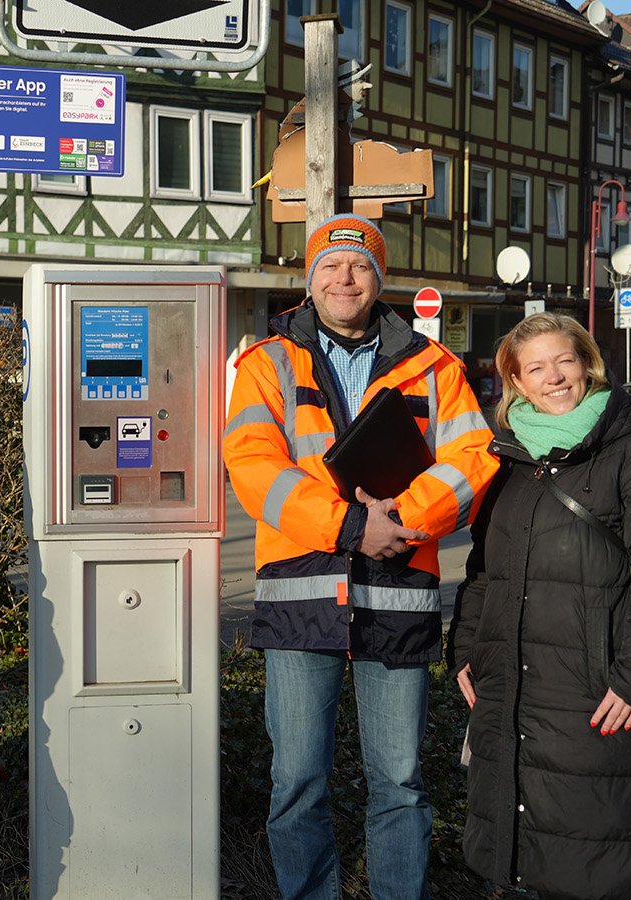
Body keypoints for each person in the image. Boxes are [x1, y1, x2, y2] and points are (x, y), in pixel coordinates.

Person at [224, 215, 499, 900]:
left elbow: (473, 460)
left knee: (400, 784)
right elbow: (252, 468)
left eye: (358, 265)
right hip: (301, 596)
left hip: (398, 592)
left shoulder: (436, 367)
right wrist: (350, 527)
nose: (343, 276)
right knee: (296, 784)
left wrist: (400, 520)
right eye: (330, 265)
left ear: (378, 280)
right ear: (309, 280)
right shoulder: (265, 363)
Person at [447, 312, 631, 900]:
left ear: (588, 364)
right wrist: (465, 652)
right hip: (514, 691)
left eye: (564, 361)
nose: (553, 377)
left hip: (595, 694)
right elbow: (483, 572)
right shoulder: (507, 461)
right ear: (516, 380)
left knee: (602, 865)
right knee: (532, 858)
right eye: (535, 367)